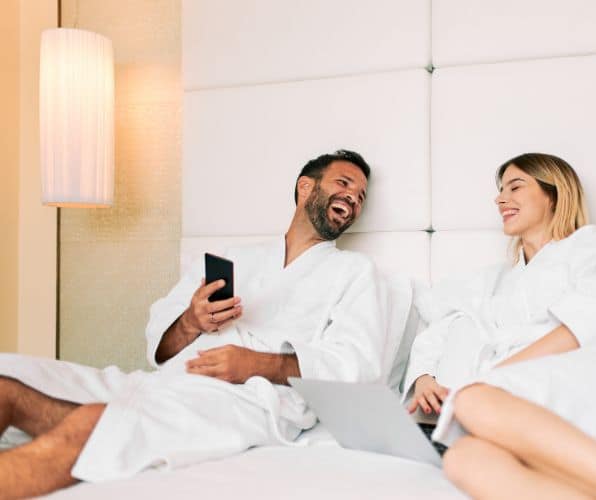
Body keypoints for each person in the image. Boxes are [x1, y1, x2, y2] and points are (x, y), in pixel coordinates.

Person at [0, 150, 394, 499]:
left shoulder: (355, 273)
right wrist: (190, 322)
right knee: (8, 379)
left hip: (247, 400)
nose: (353, 198)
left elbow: (358, 367)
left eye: (360, 196)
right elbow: (160, 347)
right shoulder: (232, 257)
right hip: (168, 380)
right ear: (305, 187)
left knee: (97, 423)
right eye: (343, 183)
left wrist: (258, 364)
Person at [404, 153, 596, 499]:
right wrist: (425, 376)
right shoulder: (501, 280)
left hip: (582, 376)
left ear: (554, 194)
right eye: (501, 190)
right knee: (462, 459)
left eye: (515, 187)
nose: (500, 199)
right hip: (518, 396)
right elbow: (449, 320)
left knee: (472, 402)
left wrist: (494, 378)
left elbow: (595, 317)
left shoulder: (593, 246)